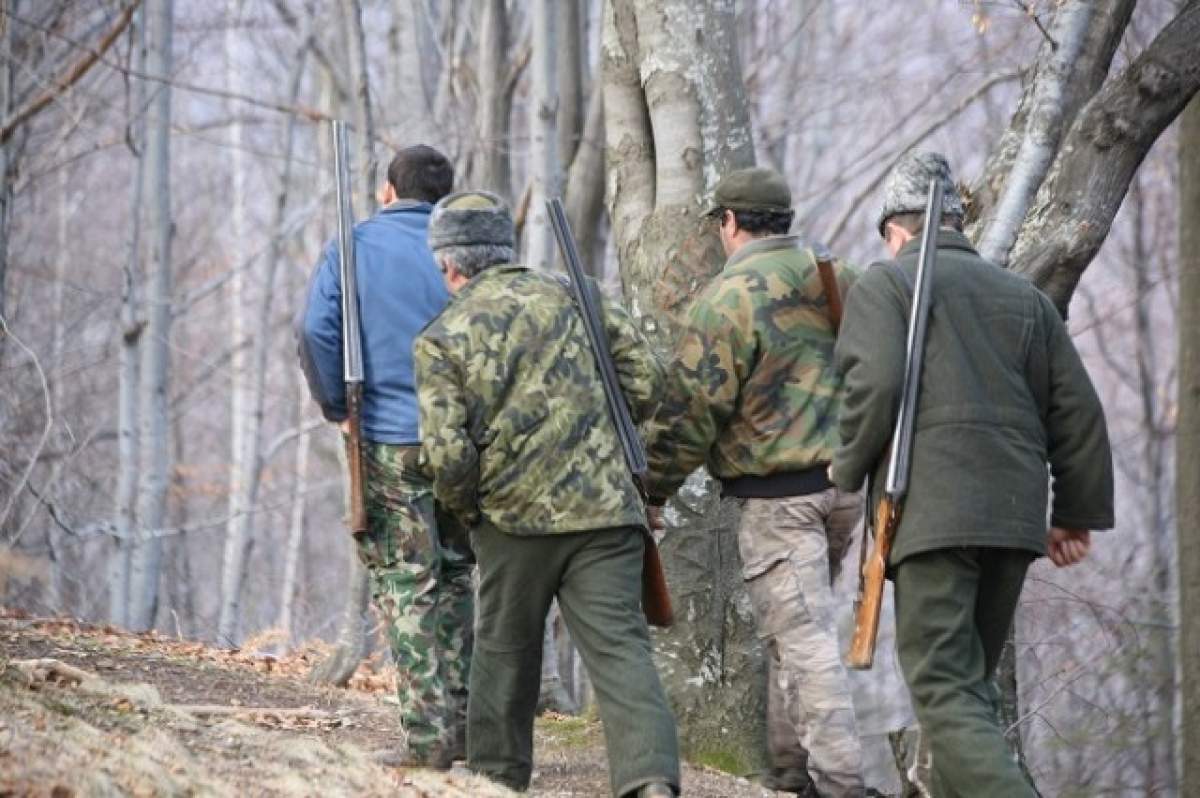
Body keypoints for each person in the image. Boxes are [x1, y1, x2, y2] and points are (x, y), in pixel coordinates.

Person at [830, 150, 1114, 798]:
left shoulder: (887, 283)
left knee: (942, 689)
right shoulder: (1026, 300)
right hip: (1012, 520)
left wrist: (845, 464)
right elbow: (1077, 411)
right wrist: (1073, 513)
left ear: (895, 232)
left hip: (931, 513)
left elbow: (874, 385)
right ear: (958, 225)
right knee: (968, 694)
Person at [413, 191, 680, 798]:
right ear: (504, 248)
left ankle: (496, 781)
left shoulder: (443, 335)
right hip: (607, 510)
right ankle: (650, 779)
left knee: (504, 653)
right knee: (620, 652)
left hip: (513, 520)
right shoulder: (575, 293)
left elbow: (449, 456)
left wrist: (471, 510)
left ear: (450, 266)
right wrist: (599, 433)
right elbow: (651, 378)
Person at [643, 166, 865, 797]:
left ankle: (841, 783)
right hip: (847, 489)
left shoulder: (726, 299)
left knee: (804, 639)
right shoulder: (840, 277)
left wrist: (652, 490)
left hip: (779, 501)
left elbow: (690, 414)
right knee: (791, 629)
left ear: (730, 222)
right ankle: (791, 772)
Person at [296, 145, 474, 769]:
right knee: (455, 575)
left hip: (387, 439)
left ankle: (429, 743)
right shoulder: (465, 251)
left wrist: (335, 407)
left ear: (385, 191)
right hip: (460, 442)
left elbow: (315, 330)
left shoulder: (355, 245)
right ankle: (465, 728)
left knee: (407, 583)